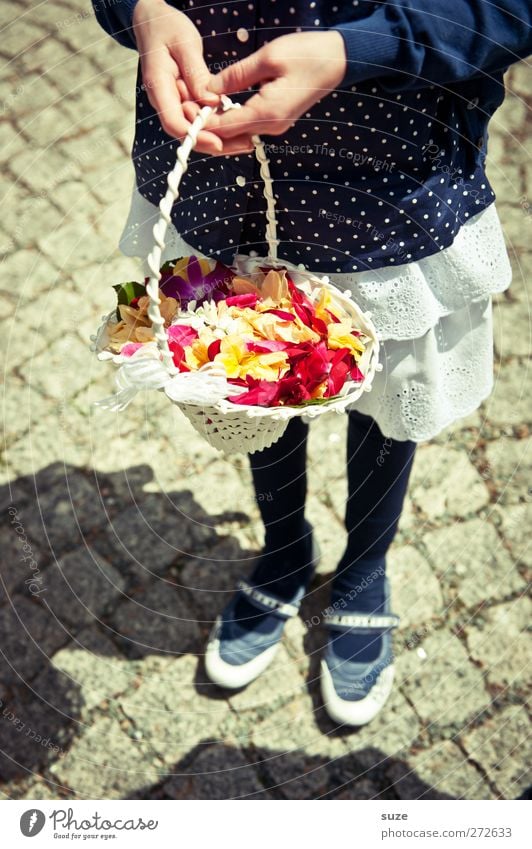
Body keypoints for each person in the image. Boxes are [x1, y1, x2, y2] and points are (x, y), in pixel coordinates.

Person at [92, 0, 531, 725]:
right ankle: (286, 547)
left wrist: (366, 49)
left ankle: (363, 568)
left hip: (383, 187)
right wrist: (140, 9)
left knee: (386, 391)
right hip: (218, 175)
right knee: (246, 373)